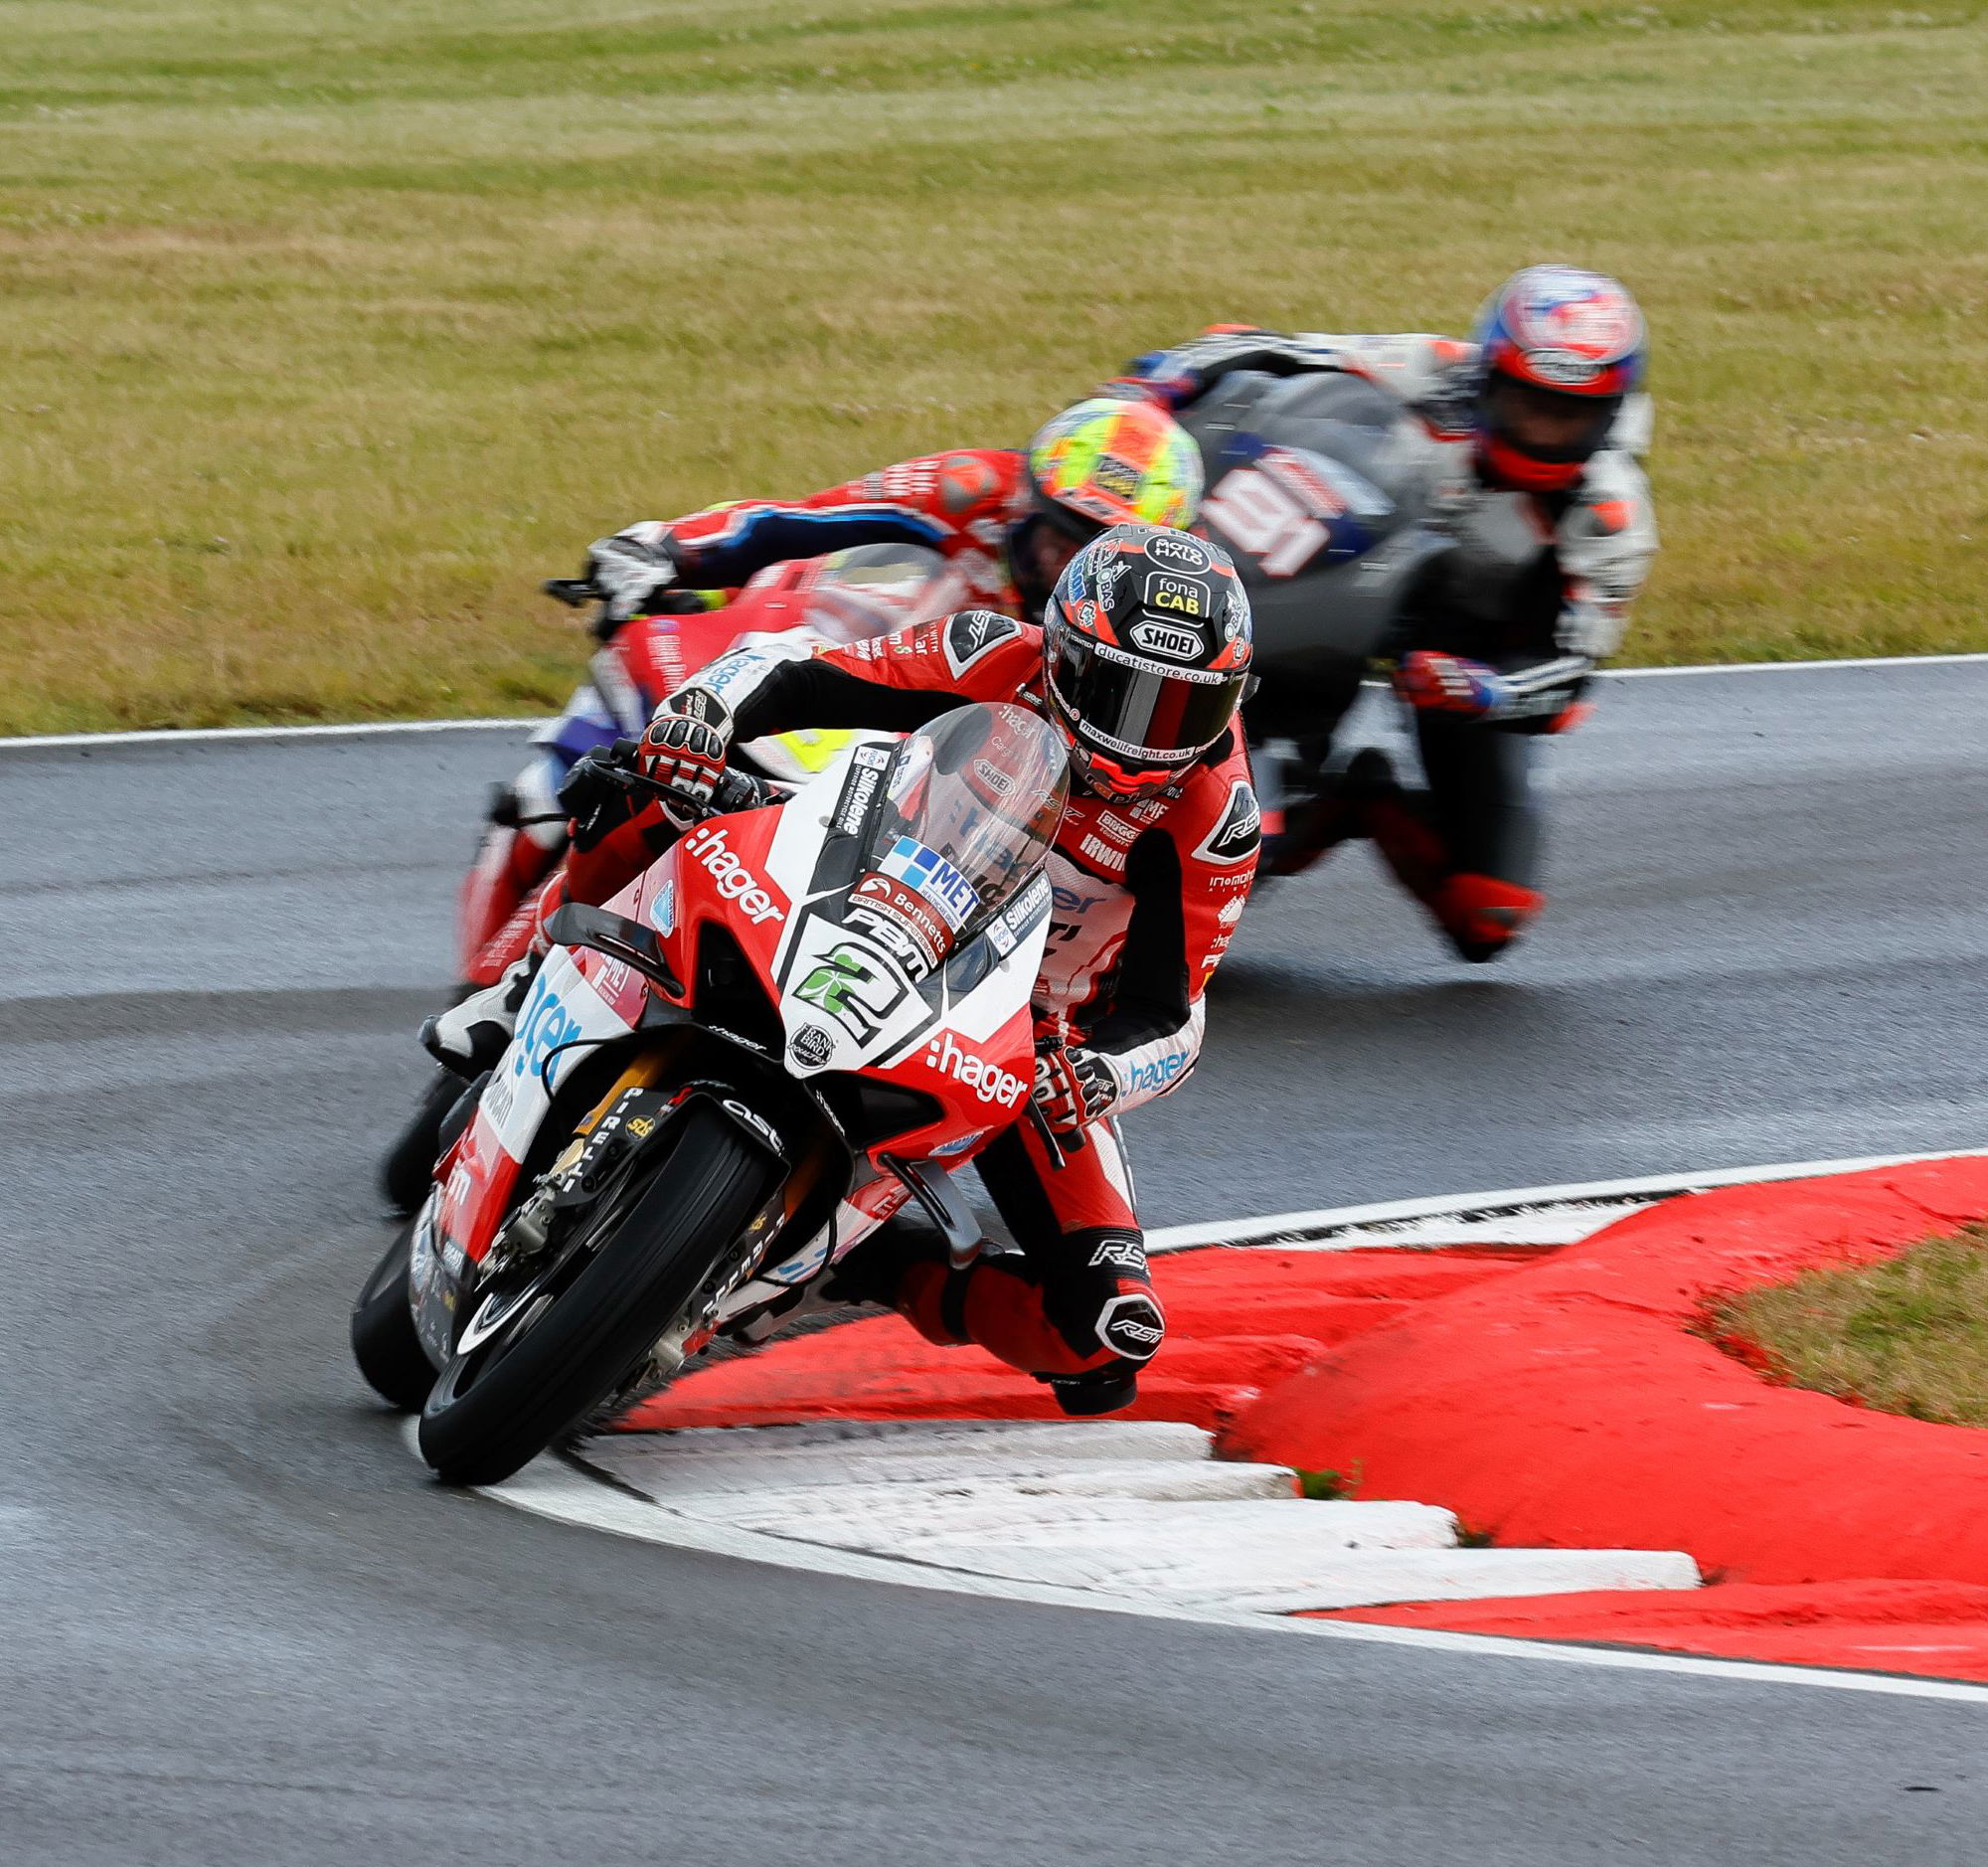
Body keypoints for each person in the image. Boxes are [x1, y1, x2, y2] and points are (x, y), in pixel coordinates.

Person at [430, 523, 1260, 1417]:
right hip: (865, 882)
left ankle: (864, 1263)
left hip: (1024, 1033)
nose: (1143, 741)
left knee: (1102, 1336)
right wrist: (705, 713)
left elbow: (1172, 1011)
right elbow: (797, 670)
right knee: (652, 779)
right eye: (1122, 695)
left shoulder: (1216, 818)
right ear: (1061, 651)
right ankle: (532, 976)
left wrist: (1098, 1073)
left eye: (1181, 712)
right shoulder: (986, 650)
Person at [457, 397, 1206, 977]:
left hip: (935, 770)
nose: (1062, 565)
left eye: (1094, 549)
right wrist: (668, 550)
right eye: (1057, 534)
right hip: (840, 659)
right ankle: (485, 977)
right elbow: (799, 520)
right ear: (1029, 500)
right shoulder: (972, 486)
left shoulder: (1159, 626)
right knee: (549, 792)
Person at [1111, 265, 1657, 961]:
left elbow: (1573, 677)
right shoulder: (1437, 370)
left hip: (1463, 668)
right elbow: (1261, 347)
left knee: (1489, 913)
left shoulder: (1612, 517)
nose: (1544, 431)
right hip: (1341, 582)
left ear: (1610, 414)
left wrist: (1484, 688)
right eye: (1527, 403)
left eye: (1570, 416)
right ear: (1491, 376)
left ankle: (1349, 802)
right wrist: (1157, 385)